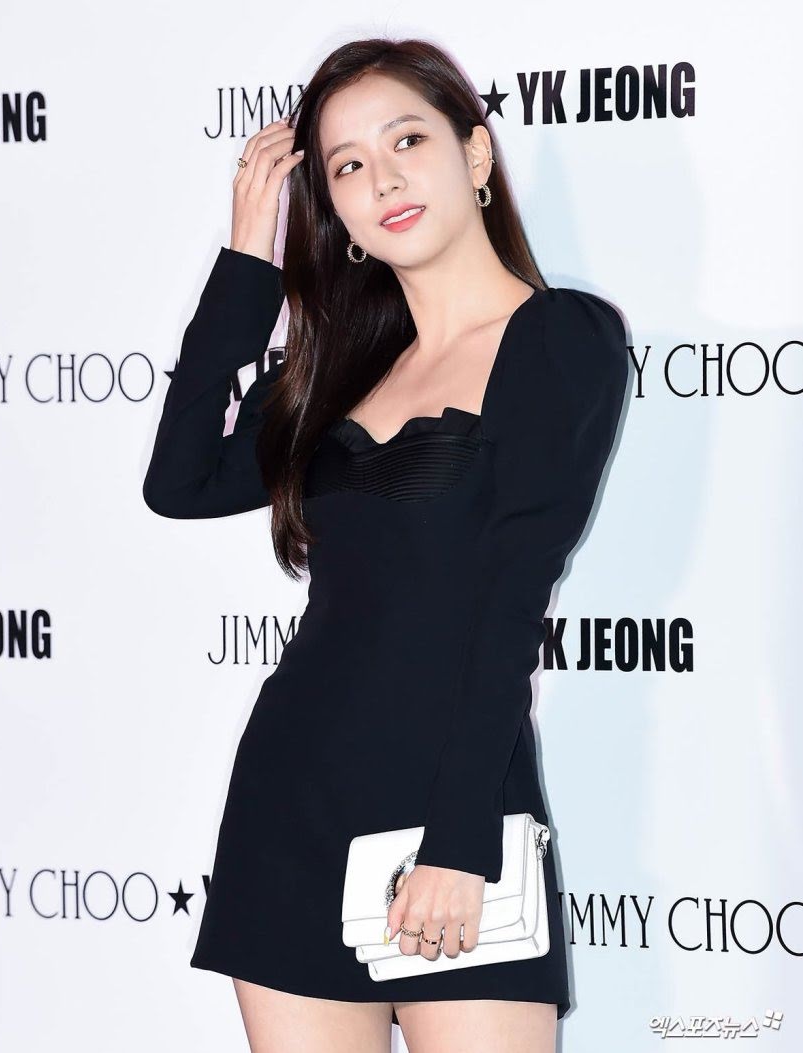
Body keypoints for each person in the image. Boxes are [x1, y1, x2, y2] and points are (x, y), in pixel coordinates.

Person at [142, 37, 629, 1053]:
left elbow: (509, 600)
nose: (383, 179)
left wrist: (461, 842)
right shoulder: (339, 367)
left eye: (408, 141)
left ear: (475, 155)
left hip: (455, 807)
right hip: (291, 805)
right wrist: (248, 265)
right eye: (347, 165)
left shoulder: (559, 339)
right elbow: (177, 484)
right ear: (332, 205)